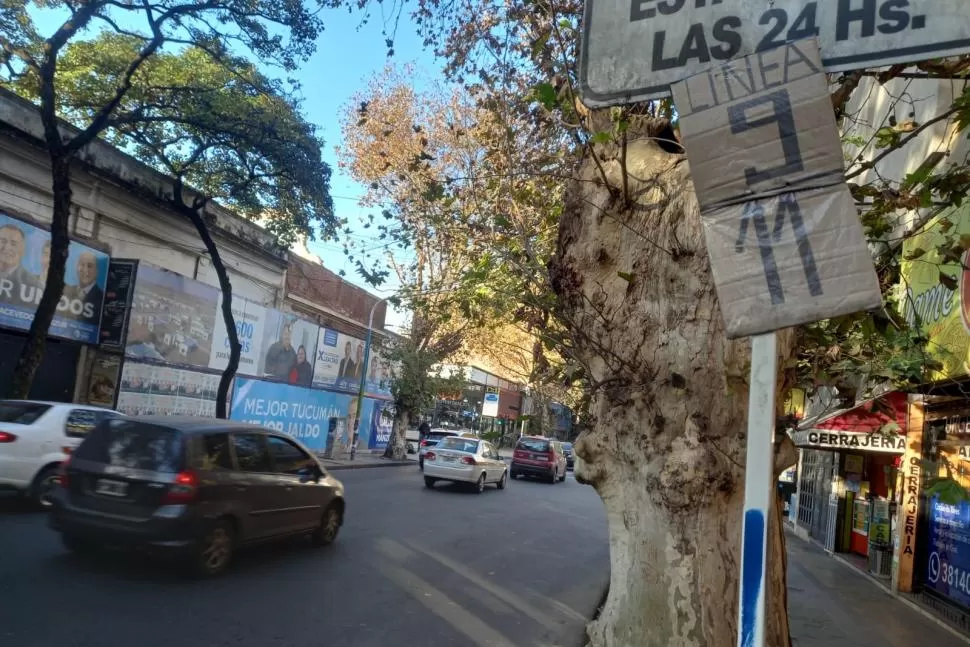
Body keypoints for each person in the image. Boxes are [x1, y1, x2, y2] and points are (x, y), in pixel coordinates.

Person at [0, 223, 40, 306]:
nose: (7, 247)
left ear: (22, 250)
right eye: (2, 241)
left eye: (13, 244)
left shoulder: (33, 284)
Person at [65, 251, 104, 321]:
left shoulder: (102, 299)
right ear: (77, 268)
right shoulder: (66, 291)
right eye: (82, 265)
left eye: (90, 266)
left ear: (96, 272)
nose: (85, 270)